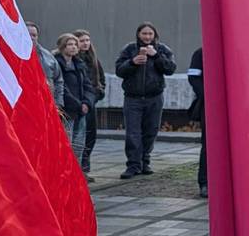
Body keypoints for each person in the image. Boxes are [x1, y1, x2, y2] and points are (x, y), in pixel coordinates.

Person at [115, 22, 176, 179]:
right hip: (133, 98)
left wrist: (155, 56)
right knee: (133, 133)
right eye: (144, 34)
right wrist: (132, 62)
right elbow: (119, 70)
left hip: (154, 97)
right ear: (138, 34)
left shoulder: (162, 49)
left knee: (151, 131)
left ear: (155, 35)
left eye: (150, 34)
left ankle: (145, 161)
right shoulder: (129, 49)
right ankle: (133, 165)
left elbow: (170, 69)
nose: (147, 37)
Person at [55, 33, 96, 178]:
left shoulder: (79, 64)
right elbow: (61, 87)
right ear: (62, 47)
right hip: (68, 110)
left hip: (81, 110)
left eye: (74, 45)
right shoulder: (57, 63)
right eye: (69, 44)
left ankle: (76, 173)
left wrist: (87, 102)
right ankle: (64, 173)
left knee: (79, 144)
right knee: (67, 143)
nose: (73, 47)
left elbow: (88, 85)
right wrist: (78, 104)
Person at [74, 30, 106, 173]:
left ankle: (85, 166)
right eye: (82, 41)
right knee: (77, 137)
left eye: (87, 40)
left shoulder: (93, 60)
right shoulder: (73, 60)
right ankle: (77, 167)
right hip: (76, 104)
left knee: (90, 135)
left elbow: (101, 82)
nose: (85, 43)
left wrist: (94, 97)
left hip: (91, 103)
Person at [27, 21, 64, 107]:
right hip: (24, 104)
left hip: (46, 104)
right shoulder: (14, 55)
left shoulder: (48, 56)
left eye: (34, 35)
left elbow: (58, 81)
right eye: (29, 34)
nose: (32, 38)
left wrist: (58, 103)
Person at [188, 47, 207, 198]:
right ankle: (205, 183)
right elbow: (193, 78)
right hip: (209, 106)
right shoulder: (200, 53)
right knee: (208, 146)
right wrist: (209, 95)